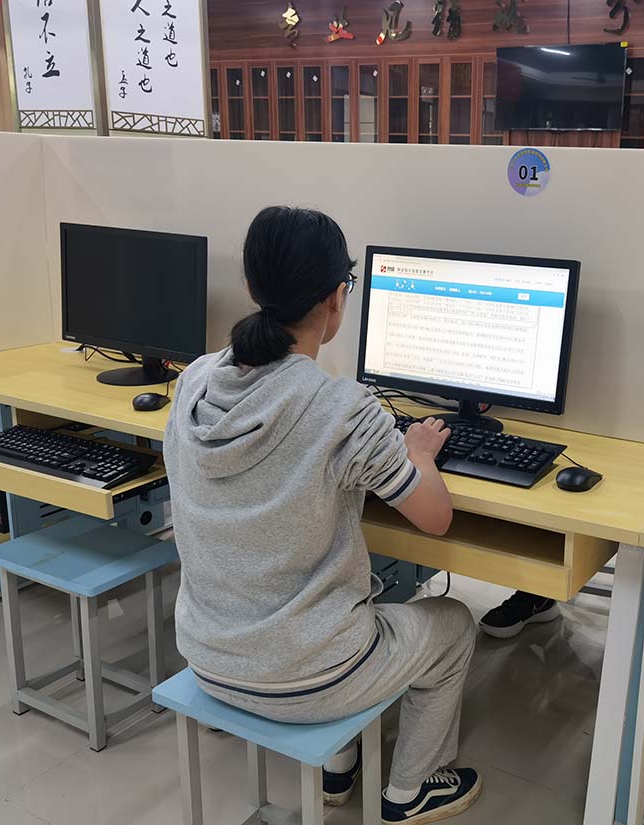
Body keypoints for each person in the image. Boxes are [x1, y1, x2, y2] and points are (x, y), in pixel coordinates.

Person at [163, 206, 482, 824]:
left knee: (344, 588)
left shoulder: (195, 382)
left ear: (251, 285)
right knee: (453, 623)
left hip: (207, 655)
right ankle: (412, 788)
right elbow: (436, 518)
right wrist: (419, 453)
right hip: (309, 678)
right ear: (337, 298)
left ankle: (339, 767)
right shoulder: (343, 409)